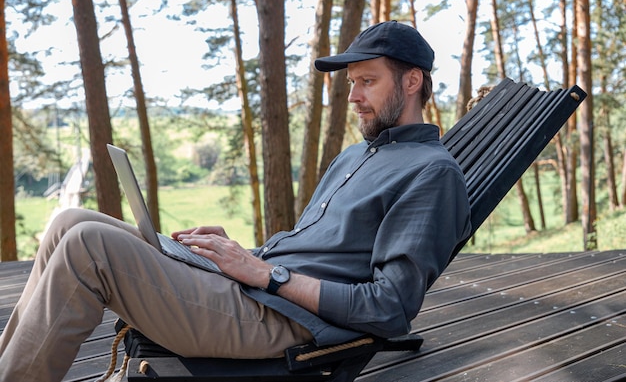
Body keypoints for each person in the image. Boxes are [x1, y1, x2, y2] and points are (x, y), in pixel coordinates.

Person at [0, 20, 471, 382]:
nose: (353, 97)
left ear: (412, 83)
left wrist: (267, 273)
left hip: (280, 321)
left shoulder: (431, 174)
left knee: (88, 247)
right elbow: (315, 250)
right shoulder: (356, 154)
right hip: (254, 288)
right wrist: (247, 255)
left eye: (367, 81)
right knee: (69, 220)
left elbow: (389, 308)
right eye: (351, 83)